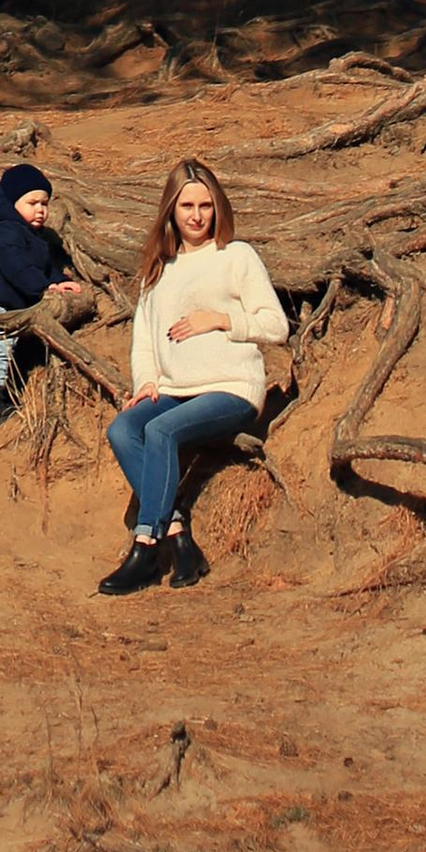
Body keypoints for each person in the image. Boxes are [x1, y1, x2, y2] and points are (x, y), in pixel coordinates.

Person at [97, 155, 288, 595]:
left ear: (218, 207)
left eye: (206, 206)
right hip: (175, 389)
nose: (197, 216)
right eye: (187, 207)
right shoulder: (158, 269)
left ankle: (145, 550)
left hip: (230, 389)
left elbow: (276, 326)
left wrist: (221, 319)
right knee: (124, 429)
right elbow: (143, 338)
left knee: (161, 432)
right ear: (171, 211)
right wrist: (146, 380)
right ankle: (180, 537)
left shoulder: (235, 256)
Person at [0, 160, 93, 431]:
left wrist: (59, 281)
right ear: (12, 203)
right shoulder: (5, 231)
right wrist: (41, 289)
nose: (41, 210)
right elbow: (17, 267)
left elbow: (43, 266)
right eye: (32, 203)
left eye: (44, 204)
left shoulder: (31, 236)